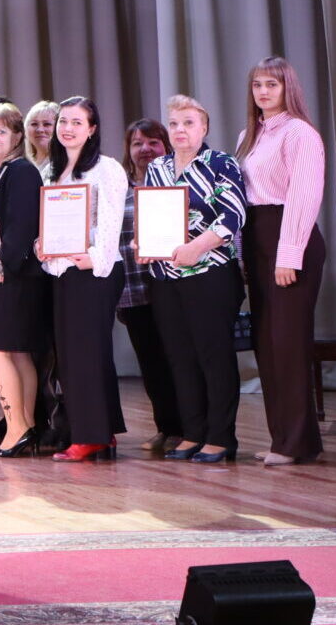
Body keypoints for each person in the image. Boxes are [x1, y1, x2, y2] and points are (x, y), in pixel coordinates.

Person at [142, 96, 246, 464]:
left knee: (213, 356)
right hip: (165, 275)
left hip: (210, 272)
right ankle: (192, 432)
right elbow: (152, 216)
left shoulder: (220, 163)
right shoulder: (157, 167)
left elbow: (233, 215)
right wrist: (144, 243)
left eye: (188, 123)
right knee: (180, 357)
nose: (180, 130)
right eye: (173, 124)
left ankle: (221, 437)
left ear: (204, 128)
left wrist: (196, 247)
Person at [236, 55, 326, 466]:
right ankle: (282, 439)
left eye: (272, 84)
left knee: (288, 343)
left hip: (290, 237)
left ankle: (298, 443)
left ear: (288, 87)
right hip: (258, 238)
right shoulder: (249, 135)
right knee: (267, 343)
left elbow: (304, 197)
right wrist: (242, 253)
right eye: (258, 84)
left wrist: (288, 255)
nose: (263, 91)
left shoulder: (300, 133)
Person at [37, 97, 130, 463]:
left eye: (77, 122)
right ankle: (102, 431)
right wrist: (40, 245)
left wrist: (95, 257)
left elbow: (111, 220)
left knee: (85, 353)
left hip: (93, 270)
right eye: (63, 121)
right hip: (61, 270)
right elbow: (45, 221)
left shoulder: (106, 168)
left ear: (92, 129)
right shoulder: (50, 171)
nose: (68, 128)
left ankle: (90, 435)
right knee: (72, 353)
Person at [0, 103, 48, 458]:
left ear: (18, 136)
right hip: (2, 274)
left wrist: (2, 264)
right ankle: (25, 427)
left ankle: (17, 428)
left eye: (1, 131)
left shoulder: (22, 172)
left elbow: (23, 224)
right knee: (15, 353)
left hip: (11, 275)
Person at [117, 118, 181, 453]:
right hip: (133, 291)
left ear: (166, 146)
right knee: (151, 365)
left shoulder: (174, 182)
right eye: (137, 143)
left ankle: (187, 427)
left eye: (153, 142)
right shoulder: (120, 189)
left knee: (177, 360)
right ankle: (165, 426)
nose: (146, 149)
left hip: (169, 288)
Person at [24, 100, 58, 169]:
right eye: (34, 124)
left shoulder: (65, 164)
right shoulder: (22, 164)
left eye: (47, 124)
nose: (40, 130)